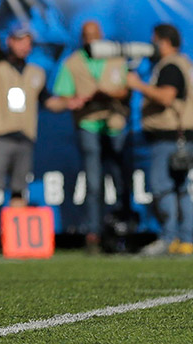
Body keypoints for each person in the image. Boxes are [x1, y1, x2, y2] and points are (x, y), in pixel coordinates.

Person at [47, 21, 130, 253]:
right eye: (87, 36)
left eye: (95, 36)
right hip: (88, 124)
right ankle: (94, 233)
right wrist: (71, 101)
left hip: (114, 125)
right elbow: (59, 97)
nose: (92, 40)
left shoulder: (115, 58)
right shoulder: (73, 63)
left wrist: (107, 93)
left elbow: (126, 89)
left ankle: (124, 230)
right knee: (94, 183)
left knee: (120, 179)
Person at [0, 25, 54, 259]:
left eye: (28, 40)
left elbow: (48, 101)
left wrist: (71, 102)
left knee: (19, 189)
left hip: (25, 136)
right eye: (20, 40)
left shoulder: (36, 72)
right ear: (9, 41)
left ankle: (14, 241)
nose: (24, 45)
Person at [127, 24, 193, 256]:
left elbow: (166, 97)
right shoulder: (186, 63)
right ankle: (186, 240)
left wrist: (137, 85)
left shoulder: (170, 66)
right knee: (182, 189)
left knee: (163, 187)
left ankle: (169, 238)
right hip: (185, 134)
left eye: (155, 41)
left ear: (164, 42)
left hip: (170, 136)